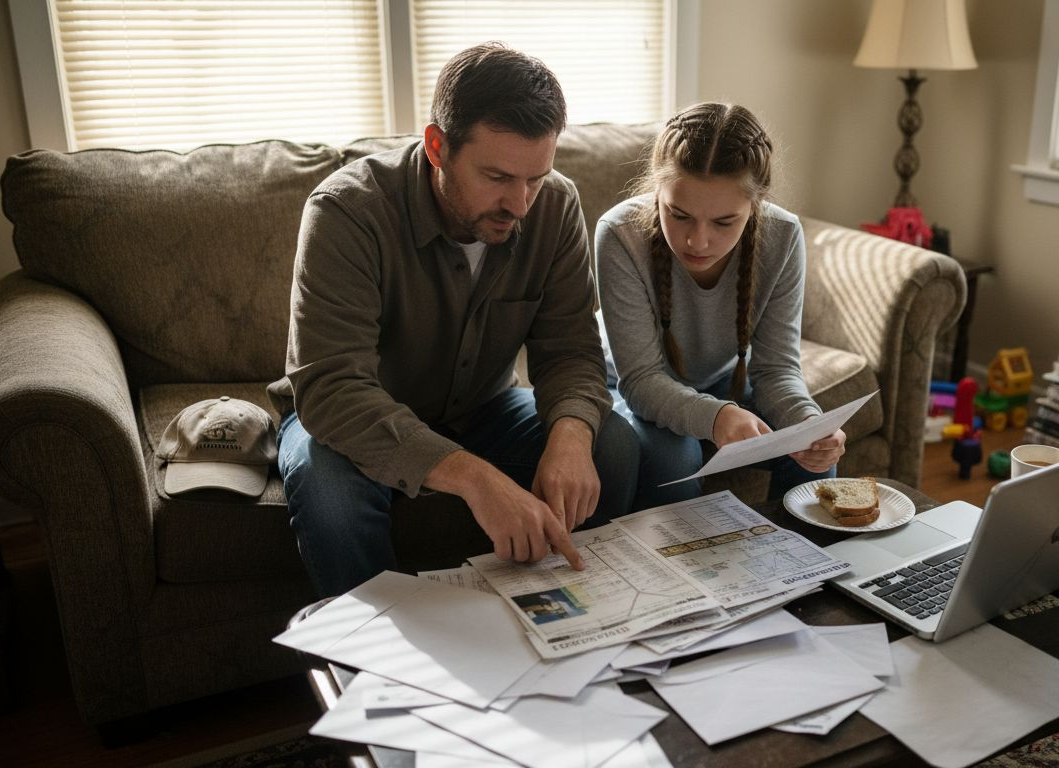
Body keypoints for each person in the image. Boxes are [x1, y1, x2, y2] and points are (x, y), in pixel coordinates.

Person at [269, 43, 638, 598]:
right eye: (497, 177)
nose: (520, 204)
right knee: (331, 492)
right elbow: (333, 389)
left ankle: (580, 621)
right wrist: (475, 478)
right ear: (437, 146)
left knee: (613, 445)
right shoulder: (346, 211)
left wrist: (570, 436)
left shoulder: (555, 206)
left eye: (535, 178)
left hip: (485, 409)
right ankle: (379, 650)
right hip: (353, 417)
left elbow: (571, 352)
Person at [595, 102, 845, 510]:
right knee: (674, 458)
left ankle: (792, 555)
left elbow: (776, 369)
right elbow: (641, 380)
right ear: (657, 190)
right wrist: (715, 417)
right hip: (626, 383)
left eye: (724, 222)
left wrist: (808, 421)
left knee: (814, 455)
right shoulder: (620, 234)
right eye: (678, 215)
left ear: (757, 203)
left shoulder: (782, 236)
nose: (698, 241)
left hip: (722, 383)